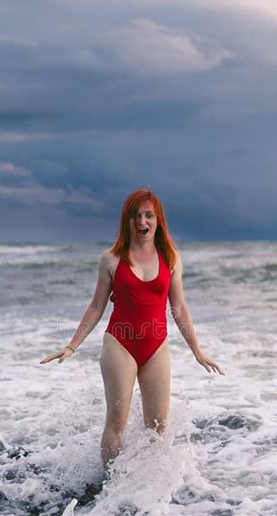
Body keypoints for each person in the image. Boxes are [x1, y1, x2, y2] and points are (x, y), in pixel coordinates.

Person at [40, 188, 224, 474]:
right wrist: (72, 345)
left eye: (149, 215)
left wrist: (197, 351)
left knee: (158, 427)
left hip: (156, 346)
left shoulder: (171, 258)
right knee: (116, 422)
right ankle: (109, 484)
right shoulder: (111, 259)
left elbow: (179, 309)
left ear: (158, 220)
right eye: (136, 216)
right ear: (127, 221)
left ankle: (146, 486)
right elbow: (96, 306)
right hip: (119, 345)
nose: (143, 221)